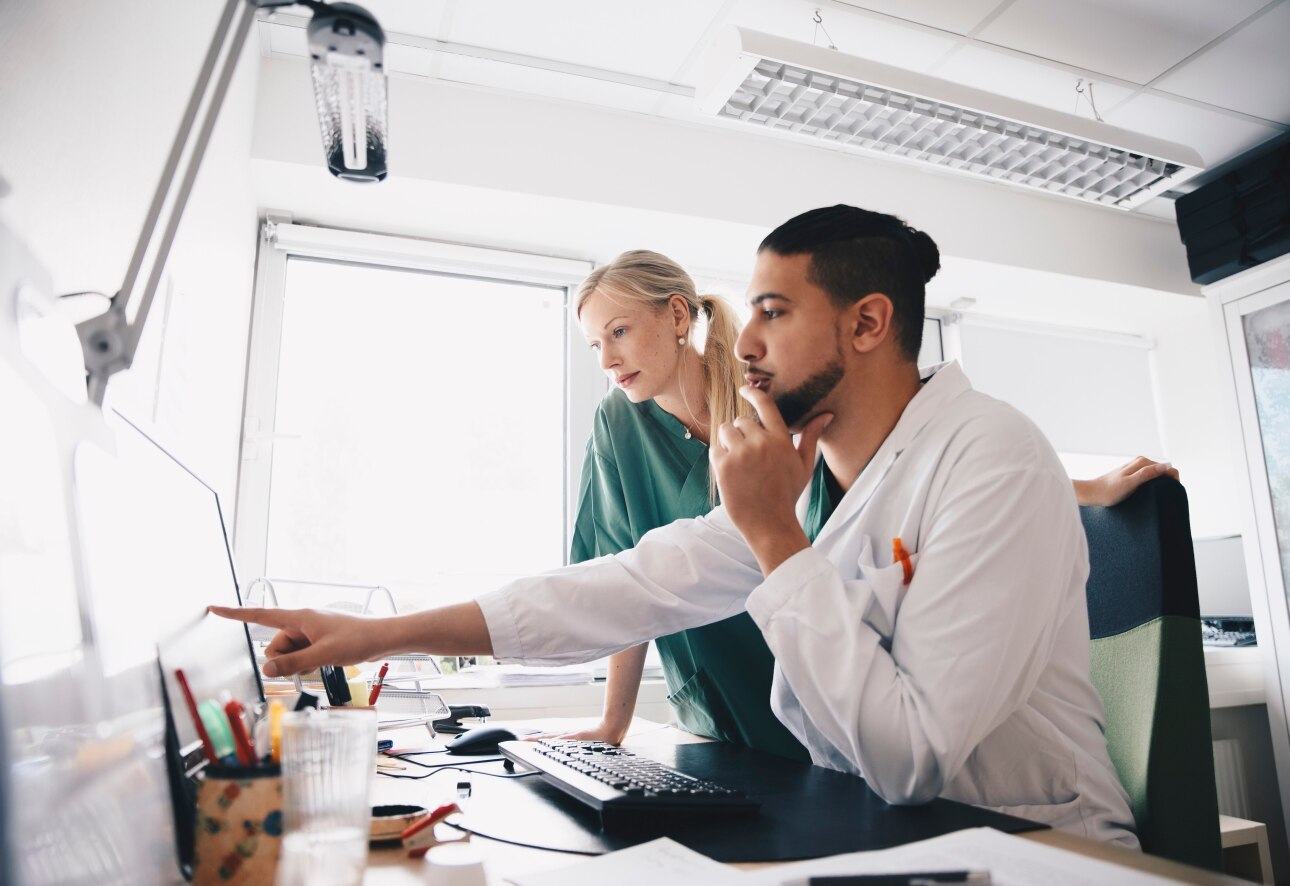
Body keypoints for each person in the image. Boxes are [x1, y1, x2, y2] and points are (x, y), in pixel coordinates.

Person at [215, 205, 1140, 845]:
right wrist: (385, 634)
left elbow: (910, 757)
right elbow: (626, 585)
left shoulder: (992, 456)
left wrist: (777, 538)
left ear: (867, 324)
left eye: (774, 313)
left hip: (1037, 849)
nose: (744, 343)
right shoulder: (814, 474)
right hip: (907, 836)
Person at [565, 252, 1176, 755]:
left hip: (810, 649)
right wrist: (613, 724)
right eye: (594, 344)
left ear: (676, 315)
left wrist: (1084, 491)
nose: (607, 360)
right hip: (712, 692)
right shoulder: (616, 425)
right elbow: (626, 575)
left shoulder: (765, 395)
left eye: (617, 332)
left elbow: (907, 470)